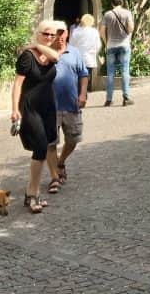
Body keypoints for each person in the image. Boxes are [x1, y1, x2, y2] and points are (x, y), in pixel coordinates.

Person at [11, 21, 63, 213]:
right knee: (40, 146)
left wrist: (38, 45)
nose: (49, 37)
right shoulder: (27, 57)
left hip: (48, 107)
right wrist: (14, 109)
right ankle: (32, 193)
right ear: (37, 33)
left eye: (52, 35)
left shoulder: (48, 54)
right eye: (45, 34)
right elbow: (17, 84)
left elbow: (56, 56)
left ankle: (30, 192)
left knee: (48, 144)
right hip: (30, 107)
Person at [49, 23, 89, 187]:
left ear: (67, 33)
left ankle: (60, 161)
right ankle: (54, 177)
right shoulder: (46, 53)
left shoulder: (74, 52)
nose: (59, 36)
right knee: (50, 143)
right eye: (55, 33)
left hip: (71, 104)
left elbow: (83, 74)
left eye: (62, 32)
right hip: (50, 106)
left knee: (73, 140)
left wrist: (83, 94)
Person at [101, 0, 135, 107]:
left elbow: (101, 31)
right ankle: (126, 97)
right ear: (122, 3)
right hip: (124, 44)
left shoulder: (107, 14)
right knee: (125, 70)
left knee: (110, 73)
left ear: (112, 4)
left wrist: (106, 43)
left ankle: (109, 100)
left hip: (111, 45)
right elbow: (131, 28)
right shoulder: (127, 13)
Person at [69, 13, 101, 92]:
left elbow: (71, 44)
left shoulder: (76, 31)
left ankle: (79, 96)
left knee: (77, 79)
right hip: (89, 59)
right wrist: (94, 52)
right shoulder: (94, 32)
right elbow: (98, 45)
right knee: (86, 78)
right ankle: (83, 95)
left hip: (77, 59)